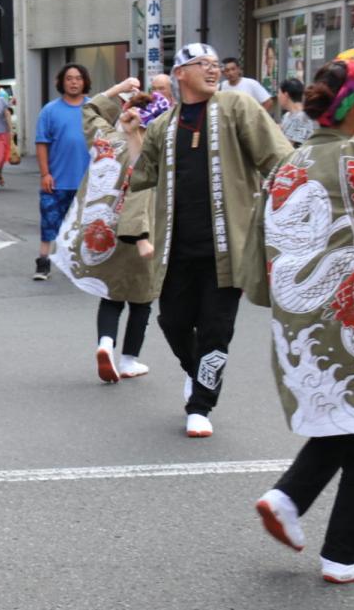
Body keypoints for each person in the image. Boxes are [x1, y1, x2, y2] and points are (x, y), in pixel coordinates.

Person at [248, 56, 354, 584]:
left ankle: (288, 499)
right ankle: (341, 553)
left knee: (351, 422)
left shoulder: (290, 163)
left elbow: (256, 259)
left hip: (300, 317)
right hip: (352, 315)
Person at [120, 43, 293, 438]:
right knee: (173, 322)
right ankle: (197, 372)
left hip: (227, 249)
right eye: (203, 64)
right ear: (180, 73)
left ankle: (200, 405)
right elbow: (143, 174)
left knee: (216, 330)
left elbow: (279, 160)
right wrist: (131, 134)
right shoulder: (164, 125)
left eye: (216, 64)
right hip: (176, 249)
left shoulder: (237, 107)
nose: (213, 70)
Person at [50, 78, 163, 382]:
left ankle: (105, 344)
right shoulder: (152, 154)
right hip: (143, 231)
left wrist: (119, 87)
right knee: (142, 299)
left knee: (111, 295)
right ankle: (128, 360)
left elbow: (90, 111)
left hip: (105, 231)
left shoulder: (108, 140)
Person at [33, 64, 92, 281]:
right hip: (56, 180)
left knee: (86, 226)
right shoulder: (49, 110)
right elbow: (41, 143)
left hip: (88, 181)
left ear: (84, 81)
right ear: (61, 82)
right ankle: (43, 262)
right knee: (49, 223)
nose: (74, 82)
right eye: (69, 78)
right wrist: (45, 174)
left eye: (78, 78)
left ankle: (80, 264)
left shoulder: (93, 109)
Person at [277, 78, 315, 147]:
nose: (278, 96)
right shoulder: (287, 115)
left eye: (279, 93)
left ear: (286, 95)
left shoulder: (302, 118)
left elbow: (289, 147)